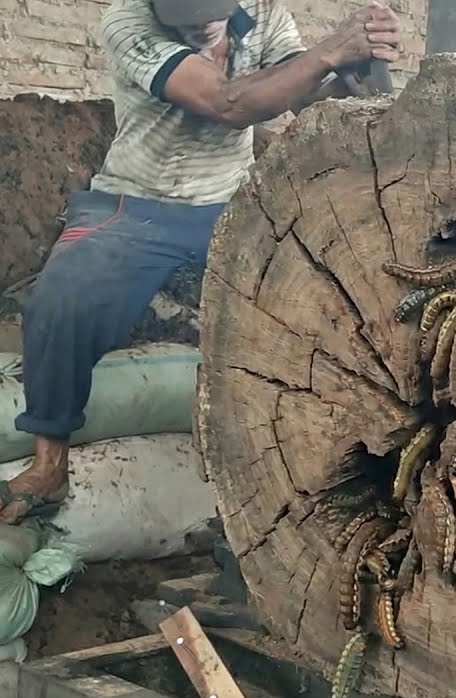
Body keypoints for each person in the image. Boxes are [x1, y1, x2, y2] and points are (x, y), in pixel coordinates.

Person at [0, 0, 402, 524]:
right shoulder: (126, 22)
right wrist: (331, 51)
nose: (200, 29)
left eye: (207, 18)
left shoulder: (266, 15)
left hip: (228, 202)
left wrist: (352, 68)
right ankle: (50, 464)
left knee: (305, 305)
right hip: (135, 201)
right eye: (185, 23)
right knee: (58, 303)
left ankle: (304, 467)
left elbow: (303, 99)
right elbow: (226, 103)